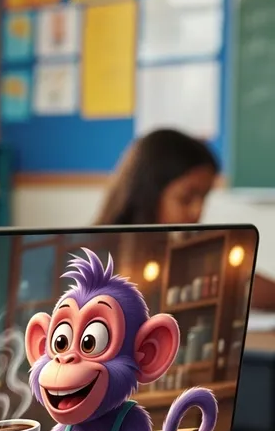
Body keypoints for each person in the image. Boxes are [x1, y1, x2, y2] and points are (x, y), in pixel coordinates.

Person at [95, 128, 275, 310]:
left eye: (204, 197)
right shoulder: (98, 259)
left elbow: (254, 286)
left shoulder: (189, 248)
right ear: (147, 195)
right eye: (186, 198)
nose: (198, 211)